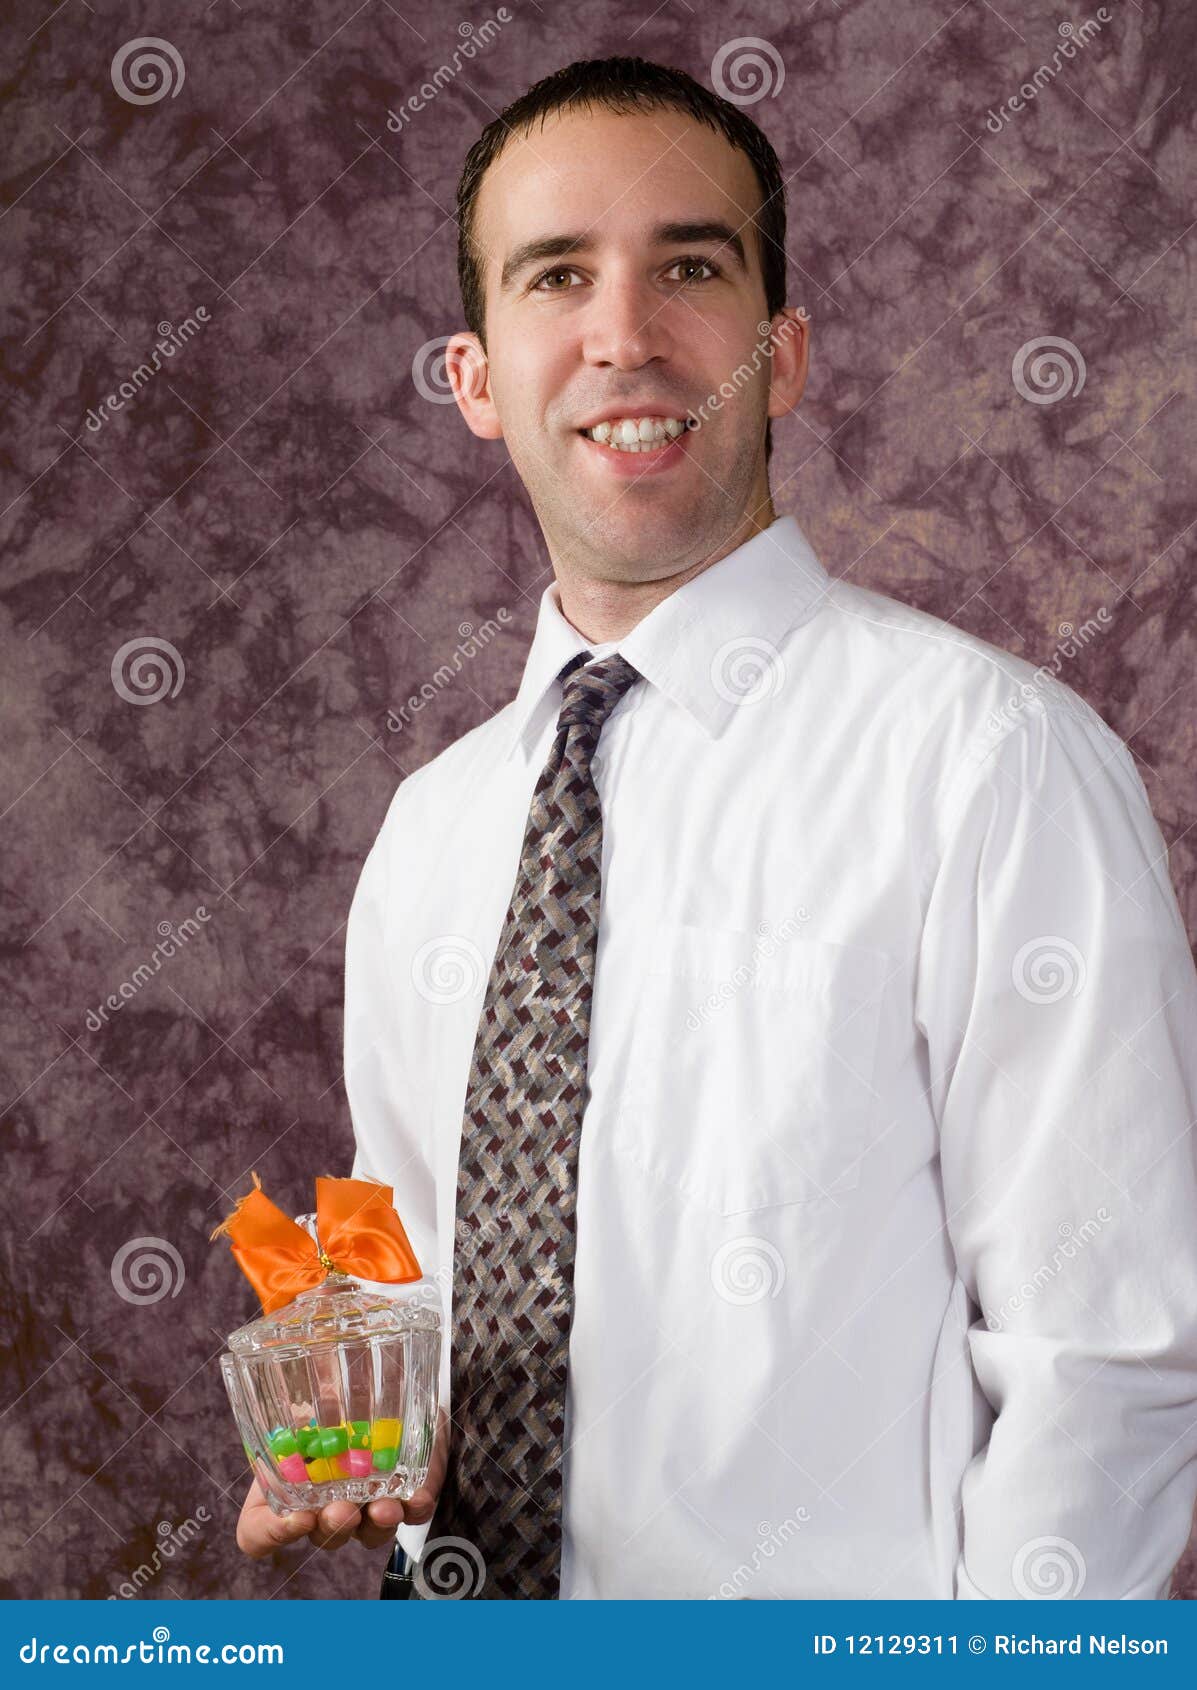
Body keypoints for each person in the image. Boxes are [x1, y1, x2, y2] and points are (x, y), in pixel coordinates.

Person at [236, 55, 1197, 1599]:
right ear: (477, 379)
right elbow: (399, 1243)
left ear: (782, 352)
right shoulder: (433, 829)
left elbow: (1113, 1357)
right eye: (557, 276)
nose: (623, 337)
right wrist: (342, 1425)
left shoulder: (987, 767)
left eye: (690, 266)